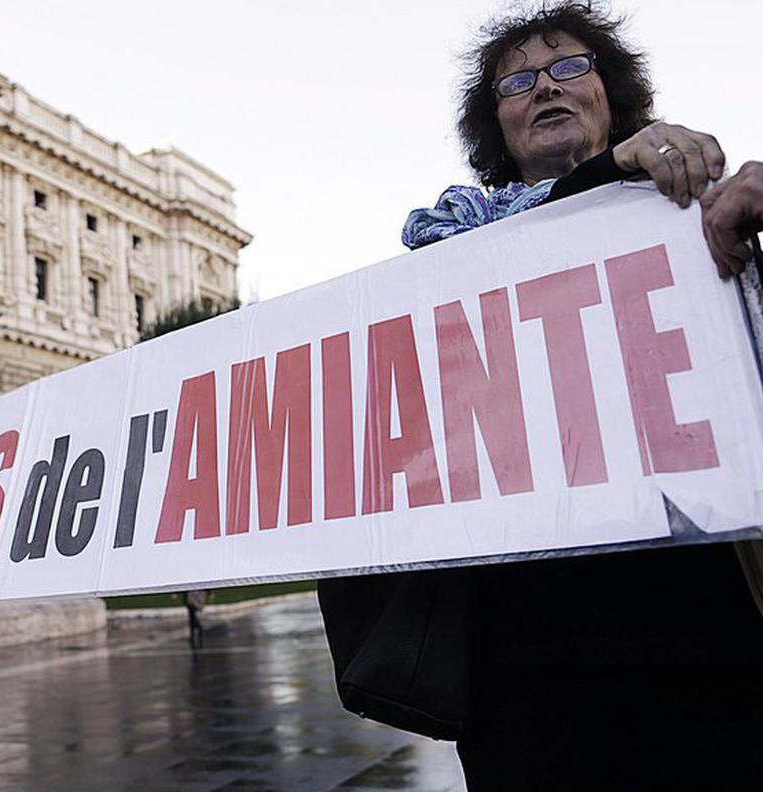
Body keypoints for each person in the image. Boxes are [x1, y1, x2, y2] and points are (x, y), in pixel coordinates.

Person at [319, 5, 763, 789]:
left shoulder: (700, 211)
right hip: (519, 659)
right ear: (496, 122)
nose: (545, 89)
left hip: (704, 634)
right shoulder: (448, 255)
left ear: (612, 93)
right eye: (517, 82)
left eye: (569, 68)